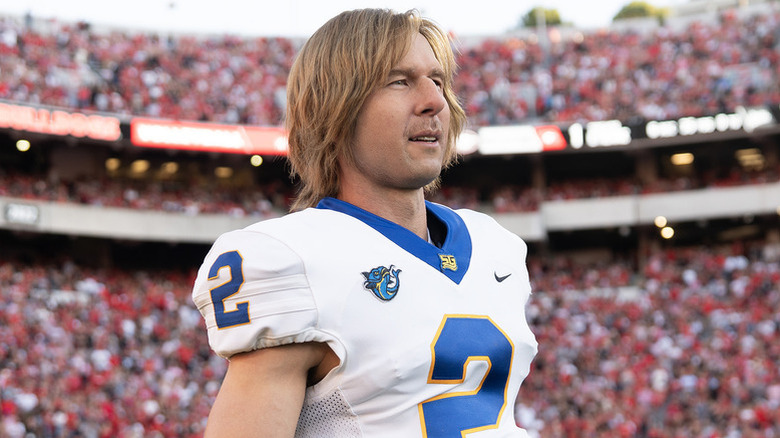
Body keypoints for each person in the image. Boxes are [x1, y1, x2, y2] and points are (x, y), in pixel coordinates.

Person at [192, 8, 538, 437]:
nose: (434, 101)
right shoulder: (290, 258)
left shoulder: (495, 246)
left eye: (438, 80)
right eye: (400, 80)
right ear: (336, 106)